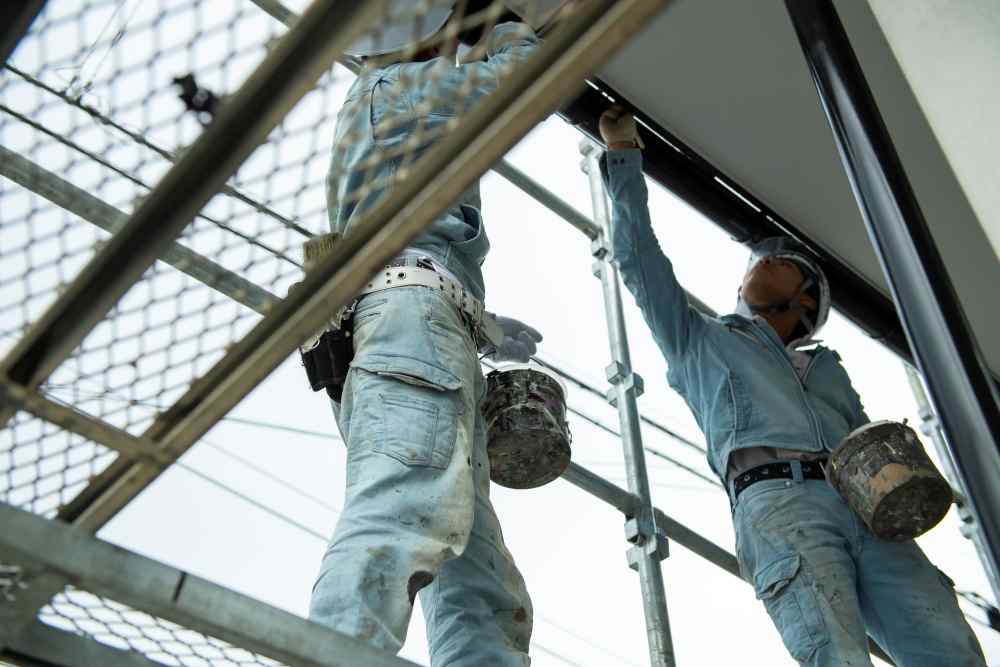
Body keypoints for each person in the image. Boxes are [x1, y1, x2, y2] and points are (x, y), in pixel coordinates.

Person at [598, 107, 986, 666]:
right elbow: (639, 261)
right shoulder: (700, 340)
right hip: (778, 500)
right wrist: (624, 157)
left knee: (946, 645)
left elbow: (864, 438)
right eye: (764, 259)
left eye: (785, 261)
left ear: (807, 299)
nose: (767, 259)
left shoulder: (826, 367)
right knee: (834, 651)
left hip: (864, 506)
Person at [309, 4, 540, 665]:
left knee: (477, 570)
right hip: (412, 319)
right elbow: (522, 77)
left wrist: (484, 327)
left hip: (413, 325)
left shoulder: (389, 103)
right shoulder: (398, 91)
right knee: (403, 508)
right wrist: (508, 23)